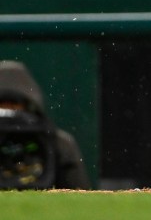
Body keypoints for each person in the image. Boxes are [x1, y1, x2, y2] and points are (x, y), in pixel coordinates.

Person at [0, 60, 90, 189]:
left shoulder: (58, 144)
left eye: (13, 104)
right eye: (2, 105)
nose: (8, 112)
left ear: (28, 105)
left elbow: (80, 197)